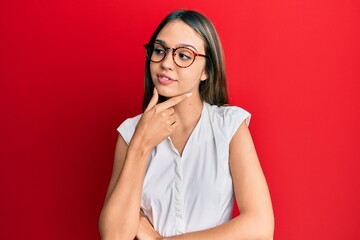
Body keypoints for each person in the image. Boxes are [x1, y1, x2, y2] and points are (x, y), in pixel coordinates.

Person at [99, 9, 274, 240]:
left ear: (207, 71)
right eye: (160, 51)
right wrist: (141, 145)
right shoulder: (131, 133)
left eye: (183, 55)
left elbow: (260, 227)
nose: (166, 64)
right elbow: (113, 236)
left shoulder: (229, 126)